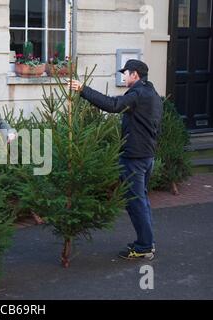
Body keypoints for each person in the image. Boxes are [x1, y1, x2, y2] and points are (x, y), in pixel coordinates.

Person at [69, 59, 163, 260]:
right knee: (142, 201)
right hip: (147, 156)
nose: (124, 76)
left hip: (135, 158)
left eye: (126, 73)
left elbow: (113, 105)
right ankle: (147, 242)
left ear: (135, 74)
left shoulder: (137, 94)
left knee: (136, 202)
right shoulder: (153, 95)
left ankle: (145, 246)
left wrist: (83, 90)